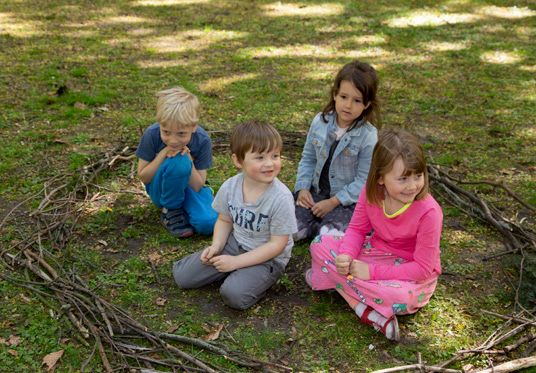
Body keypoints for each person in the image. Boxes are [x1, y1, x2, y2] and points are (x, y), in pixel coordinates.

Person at [305, 128, 443, 341]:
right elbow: (357, 230)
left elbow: (423, 269)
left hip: (408, 273)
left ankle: (343, 289)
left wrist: (371, 272)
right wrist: (346, 255)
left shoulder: (429, 212)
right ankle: (362, 304)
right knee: (319, 243)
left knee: (399, 297)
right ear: (380, 178)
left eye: (418, 175)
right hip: (374, 252)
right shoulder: (371, 194)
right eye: (403, 178)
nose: (413, 185)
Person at [173, 121, 297, 310]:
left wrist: (235, 263)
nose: (270, 163)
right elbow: (224, 219)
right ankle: (234, 270)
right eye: (260, 157)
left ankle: (255, 277)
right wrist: (216, 245)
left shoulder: (281, 197)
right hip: (234, 244)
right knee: (182, 276)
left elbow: (277, 245)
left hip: (268, 257)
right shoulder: (230, 186)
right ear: (238, 161)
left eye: (275, 156)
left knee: (234, 295)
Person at [294, 60, 381, 241]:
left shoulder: (368, 136)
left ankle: (326, 227)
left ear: (367, 104)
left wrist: (333, 202)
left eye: (357, 100)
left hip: (346, 202)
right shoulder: (319, 122)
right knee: (292, 230)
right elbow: (308, 158)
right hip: (316, 193)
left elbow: (364, 181)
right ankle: (315, 225)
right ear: (335, 95)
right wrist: (302, 188)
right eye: (343, 97)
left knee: (331, 237)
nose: (348, 105)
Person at [136, 87, 217, 238]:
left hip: (189, 186)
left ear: (193, 127)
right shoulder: (151, 134)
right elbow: (144, 177)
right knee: (178, 162)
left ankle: (185, 210)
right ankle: (171, 210)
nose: (173, 140)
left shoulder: (202, 139)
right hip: (160, 189)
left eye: (181, 134)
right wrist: (163, 153)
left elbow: (197, 185)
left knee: (209, 223)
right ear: (160, 124)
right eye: (166, 132)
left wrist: (189, 160)